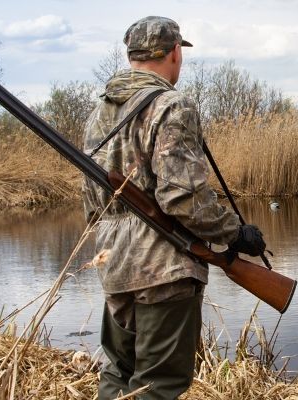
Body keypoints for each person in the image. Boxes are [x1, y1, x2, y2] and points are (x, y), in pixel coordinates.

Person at [81, 16, 265, 399]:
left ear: (132, 55)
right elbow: (184, 198)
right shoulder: (171, 105)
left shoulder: (98, 112)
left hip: (112, 262)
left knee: (117, 374)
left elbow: (92, 201)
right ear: (175, 53)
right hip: (163, 268)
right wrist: (235, 234)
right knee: (158, 385)